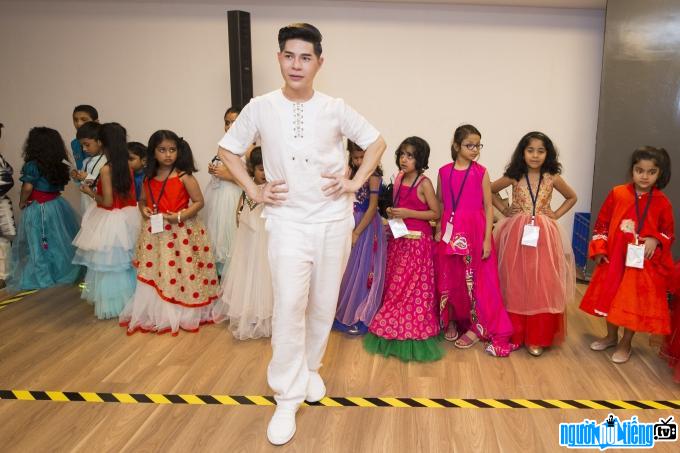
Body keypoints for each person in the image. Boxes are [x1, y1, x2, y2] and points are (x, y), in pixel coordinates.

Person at [217, 23, 386, 446]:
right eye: (290, 56)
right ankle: (286, 396)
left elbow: (376, 142)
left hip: (332, 221)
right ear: (279, 59)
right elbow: (227, 151)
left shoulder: (334, 106)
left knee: (323, 304)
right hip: (287, 222)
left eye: (305, 57)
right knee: (290, 305)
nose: (297, 64)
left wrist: (355, 182)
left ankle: (310, 369)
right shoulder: (260, 107)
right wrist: (254, 189)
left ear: (319, 63)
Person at [119, 130, 219, 335]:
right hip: (156, 232)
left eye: (172, 150)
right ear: (153, 152)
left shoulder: (184, 176)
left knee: (182, 270)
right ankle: (160, 313)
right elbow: (143, 200)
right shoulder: (148, 178)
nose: (167, 155)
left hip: (181, 231)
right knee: (160, 269)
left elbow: (199, 202)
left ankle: (183, 312)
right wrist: (143, 209)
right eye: (162, 150)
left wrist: (180, 216)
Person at [580, 147, 674, 364]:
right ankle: (611, 337)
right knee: (611, 298)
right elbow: (601, 224)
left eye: (651, 172)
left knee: (632, 303)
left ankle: (626, 342)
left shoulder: (662, 202)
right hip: (614, 259)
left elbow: (668, 232)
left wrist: (656, 239)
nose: (644, 176)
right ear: (632, 170)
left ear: (660, 174)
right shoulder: (617, 193)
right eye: (639, 170)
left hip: (641, 265)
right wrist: (600, 249)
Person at [491, 132, 577, 356]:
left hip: (544, 234)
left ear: (548, 154)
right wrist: (503, 209)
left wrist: (555, 214)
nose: (535, 155)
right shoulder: (514, 176)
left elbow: (572, 197)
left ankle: (537, 336)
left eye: (541, 151)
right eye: (530, 150)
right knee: (516, 280)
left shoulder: (552, 177)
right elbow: (489, 190)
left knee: (542, 282)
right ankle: (516, 332)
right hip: (516, 233)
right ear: (522, 152)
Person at [434, 124, 515, 357]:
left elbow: (488, 207)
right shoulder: (443, 171)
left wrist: (487, 240)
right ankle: (451, 321)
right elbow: (440, 202)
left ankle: (474, 327)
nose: (475, 150)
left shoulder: (481, 172)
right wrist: (439, 226)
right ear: (457, 146)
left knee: (476, 278)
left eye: (478, 145)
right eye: (469, 145)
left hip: (475, 229)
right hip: (451, 228)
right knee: (452, 275)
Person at [364, 137, 441, 361]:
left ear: (421, 160)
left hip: (417, 243)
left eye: (410, 156)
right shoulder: (398, 178)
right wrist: (391, 210)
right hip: (399, 240)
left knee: (414, 288)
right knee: (396, 285)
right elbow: (398, 207)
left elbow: (435, 213)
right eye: (402, 154)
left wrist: (408, 213)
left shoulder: (424, 183)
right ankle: (394, 322)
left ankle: (414, 326)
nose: (404, 159)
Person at [73, 123, 140, 319]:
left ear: (101, 142)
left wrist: (90, 192)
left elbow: (108, 202)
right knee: (127, 262)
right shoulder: (127, 165)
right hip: (128, 216)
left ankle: (114, 305)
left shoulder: (105, 169)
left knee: (109, 266)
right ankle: (132, 300)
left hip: (110, 220)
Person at [6, 127, 81, 291]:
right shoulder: (59, 163)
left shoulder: (32, 165)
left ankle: (44, 277)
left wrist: (22, 202)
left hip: (39, 209)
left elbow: (27, 187)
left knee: (38, 243)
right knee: (57, 241)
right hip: (57, 205)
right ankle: (61, 271)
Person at [212, 147, 273, 339]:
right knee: (248, 273)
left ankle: (267, 312)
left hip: (267, 239)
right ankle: (250, 311)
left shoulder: (272, 190)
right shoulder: (249, 189)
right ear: (252, 170)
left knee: (266, 274)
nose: (265, 174)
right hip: (248, 238)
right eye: (261, 169)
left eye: (268, 169)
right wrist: (240, 225)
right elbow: (240, 208)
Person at [333, 140, 387, 335]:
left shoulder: (373, 176)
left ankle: (359, 313)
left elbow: (373, 208)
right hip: (349, 221)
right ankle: (343, 309)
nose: (358, 161)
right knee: (348, 269)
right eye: (355, 158)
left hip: (366, 225)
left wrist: (356, 232)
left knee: (363, 270)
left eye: (362, 157)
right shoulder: (353, 174)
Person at [203, 106, 244, 276]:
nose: (229, 126)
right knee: (219, 241)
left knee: (234, 242)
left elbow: (254, 179)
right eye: (227, 122)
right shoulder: (223, 146)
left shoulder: (248, 147)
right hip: (218, 197)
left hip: (234, 199)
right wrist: (214, 170)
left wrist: (227, 175)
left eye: (234, 122)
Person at [70, 104, 99, 172]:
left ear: (96, 122)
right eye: (75, 120)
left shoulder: (105, 140)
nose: (79, 123)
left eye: (84, 119)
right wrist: (78, 176)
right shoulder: (74, 143)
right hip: (85, 181)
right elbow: (80, 168)